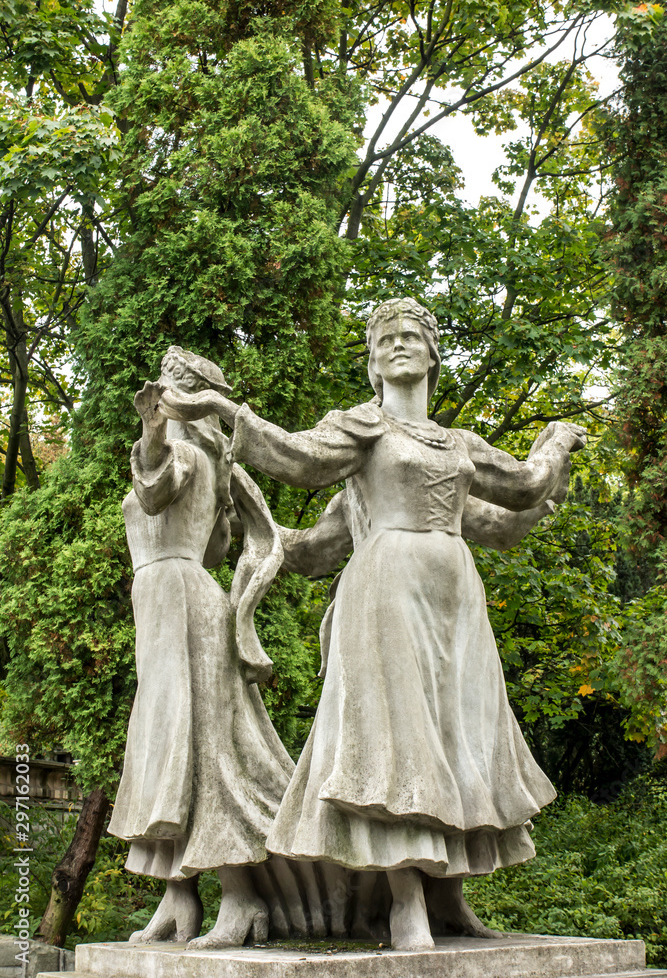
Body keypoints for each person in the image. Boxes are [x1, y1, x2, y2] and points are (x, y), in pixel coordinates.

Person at [159, 299, 586, 951]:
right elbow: (297, 467)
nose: (399, 344)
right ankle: (405, 902)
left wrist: (553, 450)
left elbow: (514, 504)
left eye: (413, 334)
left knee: (459, 741)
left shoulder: (457, 447)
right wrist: (232, 434)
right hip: (385, 593)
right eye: (385, 337)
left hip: (455, 601)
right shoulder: (361, 430)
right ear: (370, 361)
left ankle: (448, 897)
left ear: (435, 353)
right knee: (401, 746)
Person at [108, 346, 292, 946]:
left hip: (185, 606)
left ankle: (239, 898)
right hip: (163, 606)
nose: (157, 394)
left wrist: (151, 433)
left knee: (207, 748)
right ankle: (178, 900)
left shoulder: (185, 451)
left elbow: (157, 489)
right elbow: (216, 545)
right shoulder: (209, 460)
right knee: (169, 745)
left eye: (166, 387)